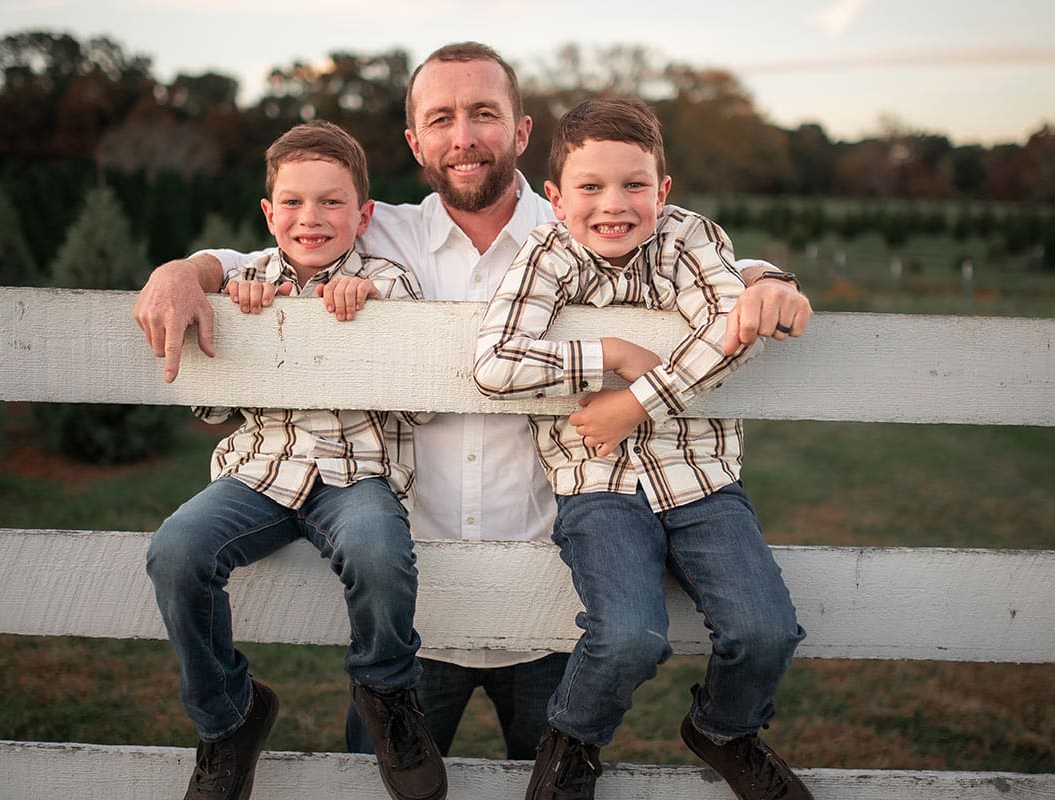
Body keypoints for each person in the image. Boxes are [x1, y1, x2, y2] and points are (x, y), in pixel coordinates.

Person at [133, 42, 814, 763]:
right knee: (378, 777)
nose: (464, 136)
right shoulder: (378, 230)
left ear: (521, 133)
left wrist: (771, 275)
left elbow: (691, 257)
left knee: (545, 774)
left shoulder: (575, 225)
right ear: (415, 141)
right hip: (420, 589)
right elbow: (262, 259)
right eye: (442, 118)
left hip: (552, 583)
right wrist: (185, 269)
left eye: (484, 114)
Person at [472, 97, 811, 800]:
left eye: (634, 186)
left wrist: (636, 400)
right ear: (558, 199)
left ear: (662, 191)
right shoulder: (545, 253)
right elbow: (495, 365)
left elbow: (732, 331)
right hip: (597, 486)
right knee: (629, 634)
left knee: (766, 629)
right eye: (590, 188)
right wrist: (611, 353)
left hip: (702, 481)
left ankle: (724, 728)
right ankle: (570, 744)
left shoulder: (690, 240)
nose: (612, 205)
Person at [145, 121, 446, 800]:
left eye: (332, 202)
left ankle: (387, 692)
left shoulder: (390, 283)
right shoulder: (244, 280)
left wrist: (374, 317)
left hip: (355, 473)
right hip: (262, 471)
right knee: (176, 550)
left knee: (376, 550)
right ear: (268, 212)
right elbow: (211, 411)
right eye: (293, 203)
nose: (311, 218)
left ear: (363, 214)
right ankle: (228, 715)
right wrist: (244, 322)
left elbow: (425, 405)